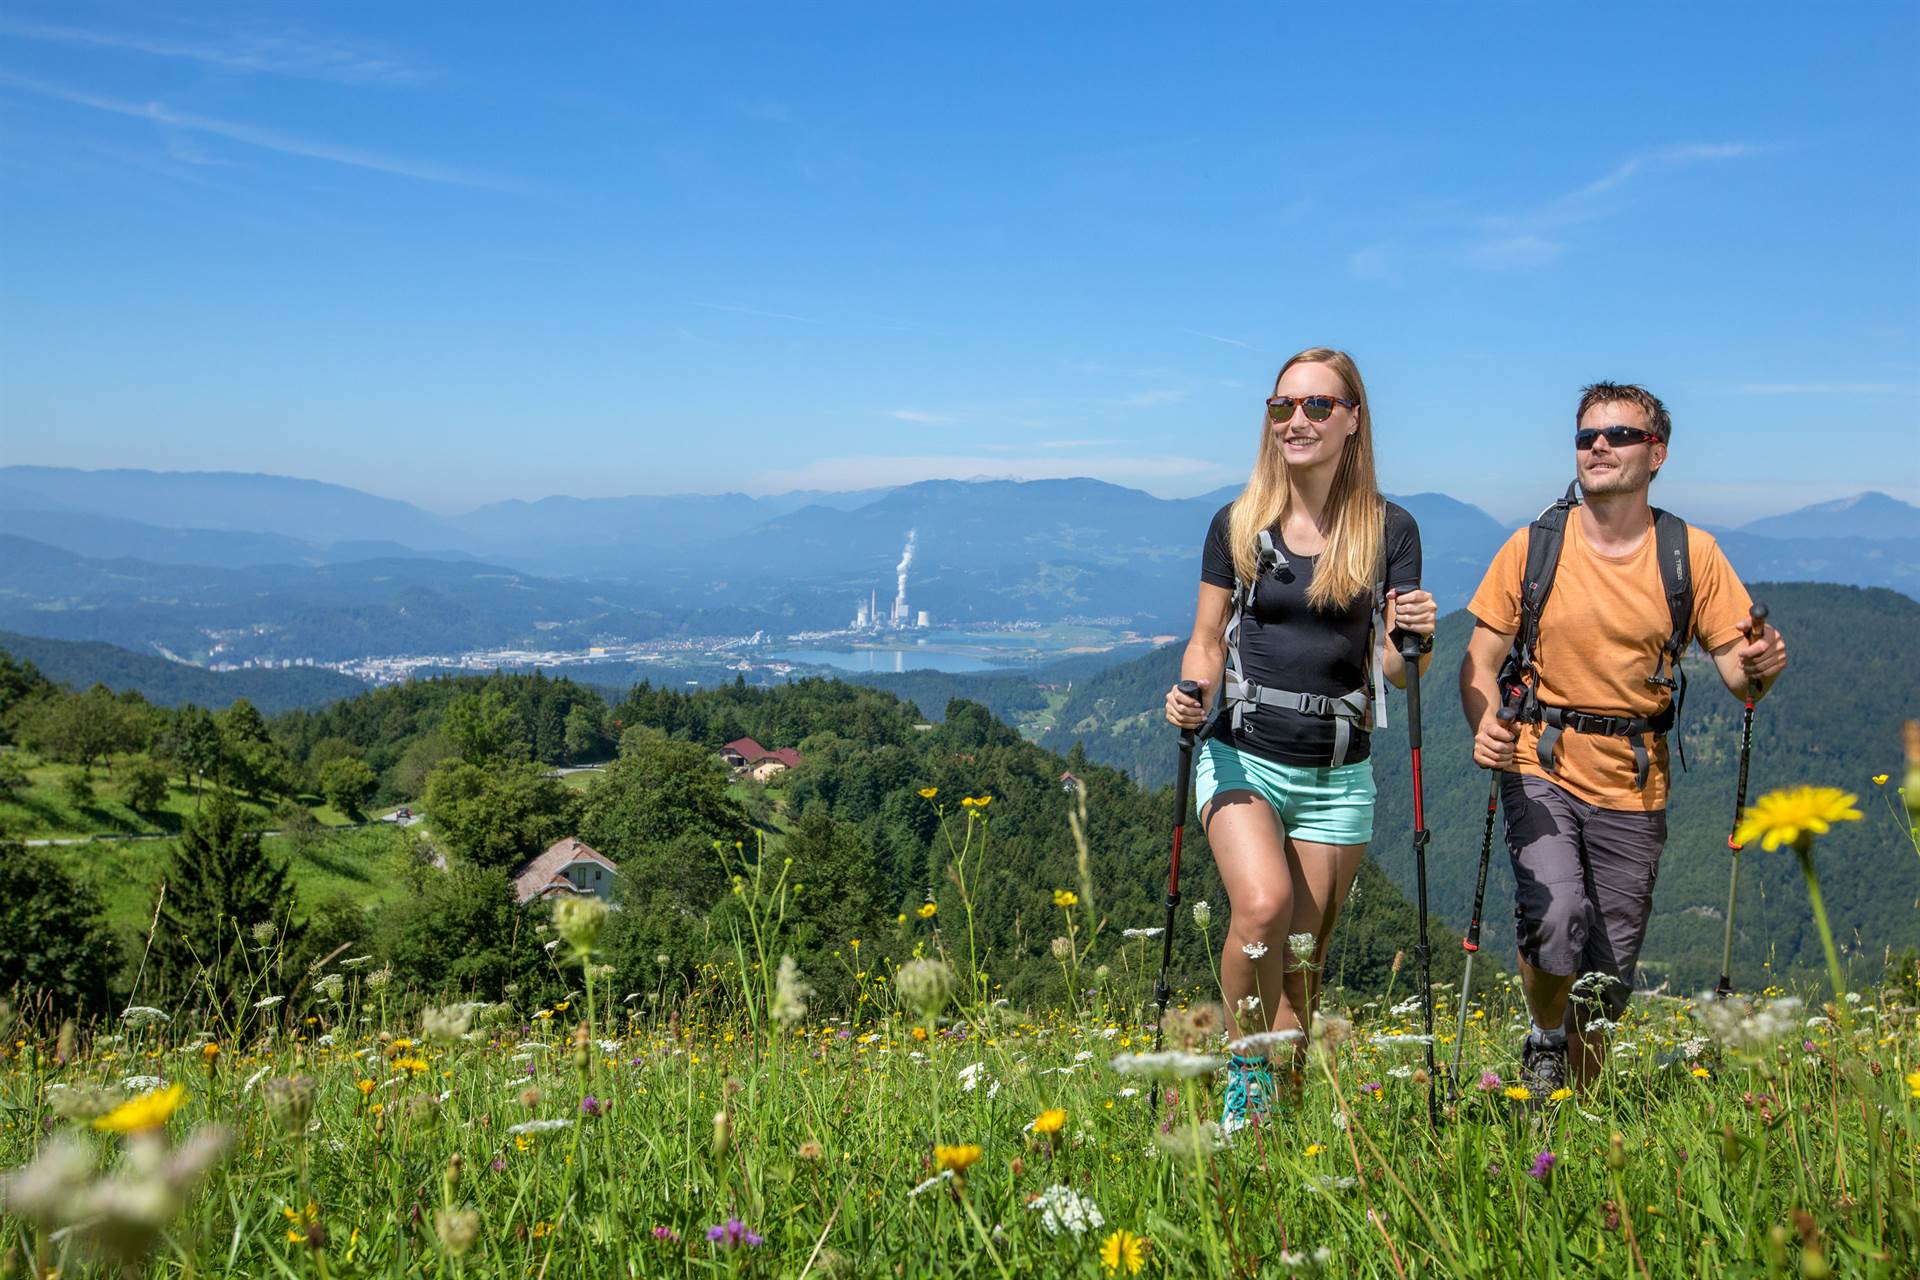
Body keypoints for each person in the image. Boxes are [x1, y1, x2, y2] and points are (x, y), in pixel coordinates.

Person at [1458, 381, 1788, 1093]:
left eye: (1617, 435)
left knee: (1609, 969)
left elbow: (1741, 675)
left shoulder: (1690, 555)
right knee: (1555, 913)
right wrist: (1484, 719)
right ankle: (1546, 1047)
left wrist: (1761, 666)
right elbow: (1479, 660)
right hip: (1537, 759)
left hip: (1634, 780)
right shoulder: (1534, 546)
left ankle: (1579, 1109)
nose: (1598, 447)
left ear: (1657, 452)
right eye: (1586, 437)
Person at [1165, 346, 1434, 1134]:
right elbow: (1206, 639)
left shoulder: (1390, 529)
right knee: (1262, 906)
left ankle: (1282, 1116)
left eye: (1318, 405)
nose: (1298, 420)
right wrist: (1192, 694)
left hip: (1337, 771)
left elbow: (1394, 671)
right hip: (1241, 750)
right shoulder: (1239, 523)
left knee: (1301, 970)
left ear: (1354, 421)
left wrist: (1415, 637)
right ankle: (1244, 1083)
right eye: (1284, 406)